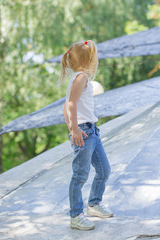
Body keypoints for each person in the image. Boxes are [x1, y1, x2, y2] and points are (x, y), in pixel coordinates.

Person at [61, 40, 113, 231]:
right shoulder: (81, 77)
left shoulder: (77, 78)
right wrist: (74, 129)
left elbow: (65, 106)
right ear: (89, 60)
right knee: (79, 175)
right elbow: (71, 105)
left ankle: (94, 204)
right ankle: (76, 215)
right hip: (84, 132)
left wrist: (71, 126)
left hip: (92, 131)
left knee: (104, 170)